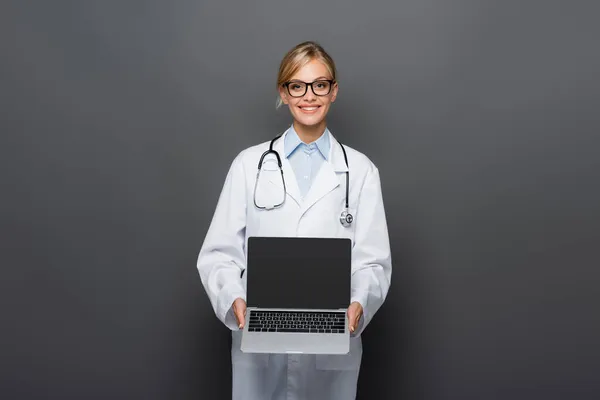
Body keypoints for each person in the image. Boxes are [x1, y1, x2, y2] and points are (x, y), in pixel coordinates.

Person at [197, 41, 392, 400]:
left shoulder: (360, 171)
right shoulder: (248, 165)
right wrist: (234, 300)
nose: (309, 96)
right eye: (297, 85)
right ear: (283, 93)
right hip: (259, 340)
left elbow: (374, 262)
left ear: (333, 91)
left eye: (320, 85)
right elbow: (218, 255)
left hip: (332, 342)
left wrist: (359, 302)